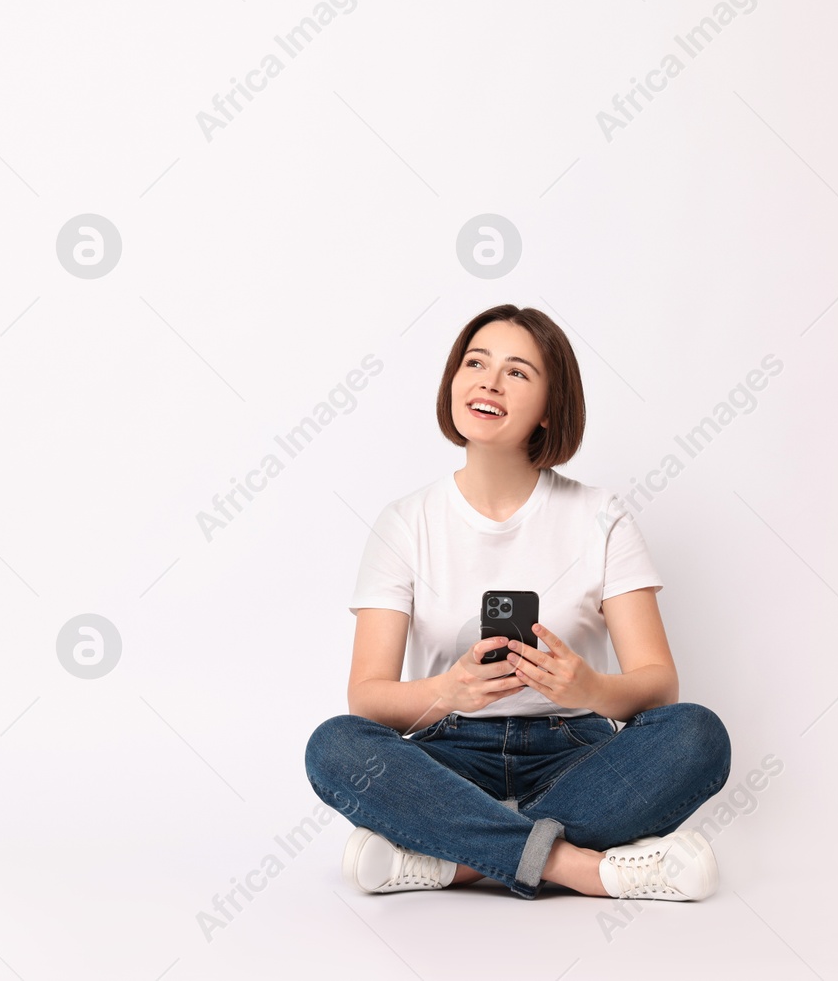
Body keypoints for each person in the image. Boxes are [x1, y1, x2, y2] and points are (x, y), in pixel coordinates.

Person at [304, 304, 731, 901]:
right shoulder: (404, 522)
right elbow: (367, 699)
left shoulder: (601, 516)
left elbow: (659, 685)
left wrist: (589, 690)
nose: (488, 381)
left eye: (518, 372)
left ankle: (458, 862)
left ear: (551, 408)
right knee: (335, 745)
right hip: (446, 757)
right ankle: (580, 868)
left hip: (574, 756)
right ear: (453, 381)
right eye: (475, 363)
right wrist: (445, 693)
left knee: (697, 735)